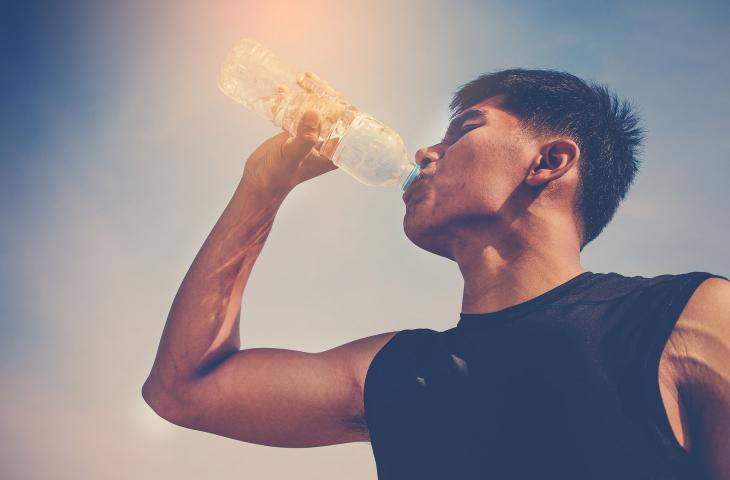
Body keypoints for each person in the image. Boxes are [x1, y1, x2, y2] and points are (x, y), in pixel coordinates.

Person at [142, 69, 730, 479]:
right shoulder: (398, 372)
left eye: (465, 128)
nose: (426, 151)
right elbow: (183, 390)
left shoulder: (687, 318)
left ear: (549, 162)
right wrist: (261, 188)